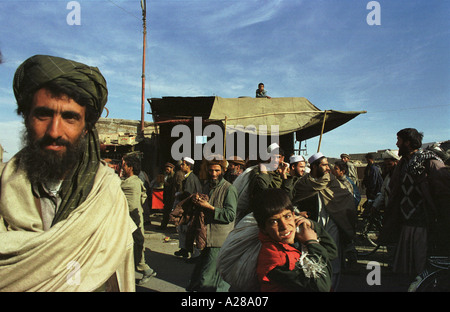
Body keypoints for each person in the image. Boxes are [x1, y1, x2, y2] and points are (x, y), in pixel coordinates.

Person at [0, 54, 135, 291]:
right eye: (43, 114)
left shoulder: (107, 194)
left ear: (86, 128)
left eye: (69, 117)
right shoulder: (4, 186)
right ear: (26, 118)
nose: (54, 131)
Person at [379, 128, 450, 277]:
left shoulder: (430, 162)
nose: (396, 144)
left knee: (423, 265)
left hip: (424, 223)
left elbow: (443, 194)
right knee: (407, 267)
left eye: (399, 140)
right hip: (405, 222)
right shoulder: (403, 163)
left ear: (408, 142)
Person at [291, 152, 356, 290]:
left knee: (333, 258)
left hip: (332, 224)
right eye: (325, 165)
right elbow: (293, 202)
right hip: (310, 228)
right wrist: (297, 213)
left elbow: (346, 198)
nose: (328, 168)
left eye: (328, 164)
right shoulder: (303, 184)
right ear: (314, 166)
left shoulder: (332, 181)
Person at [253, 188, 337, 292]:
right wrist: (312, 242)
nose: (284, 226)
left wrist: (312, 225)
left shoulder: (296, 239)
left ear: (294, 215)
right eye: (274, 221)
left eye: (287, 216)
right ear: (263, 229)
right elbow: (320, 287)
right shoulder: (274, 257)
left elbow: (331, 252)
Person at [186, 158, 238, 292]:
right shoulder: (206, 186)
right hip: (206, 238)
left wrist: (210, 207)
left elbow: (230, 215)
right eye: (211, 170)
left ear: (223, 171)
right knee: (205, 277)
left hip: (218, 240)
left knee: (206, 279)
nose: (213, 174)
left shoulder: (229, 189)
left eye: (217, 170)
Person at [120, 154, 157, 285]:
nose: (122, 167)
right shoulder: (135, 181)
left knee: (135, 247)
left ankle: (146, 270)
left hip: (133, 221)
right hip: (133, 220)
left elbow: (117, 187)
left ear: (130, 167)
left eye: (124, 165)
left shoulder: (129, 183)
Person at [174, 156, 203, 258]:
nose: (181, 166)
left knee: (187, 231)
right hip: (188, 209)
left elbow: (188, 195)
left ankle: (190, 252)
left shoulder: (191, 179)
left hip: (189, 209)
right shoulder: (188, 177)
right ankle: (184, 249)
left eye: (183, 164)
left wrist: (179, 195)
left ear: (188, 166)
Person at [160, 162, 176, 229]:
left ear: (172, 169)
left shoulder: (174, 176)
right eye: (166, 169)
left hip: (172, 196)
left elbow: (173, 186)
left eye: (168, 169)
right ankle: (163, 225)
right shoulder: (166, 175)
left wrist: (168, 185)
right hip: (167, 196)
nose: (166, 171)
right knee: (166, 211)